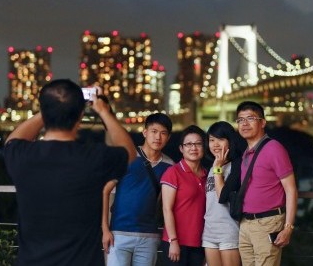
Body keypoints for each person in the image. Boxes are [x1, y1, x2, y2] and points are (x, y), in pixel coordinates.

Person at [3, 79, 136, 265]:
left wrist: (50, 109)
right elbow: (129, 152)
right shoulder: (94, 158)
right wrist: (103, 111)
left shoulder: (22, 156)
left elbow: (13, 140)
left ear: (44, 111)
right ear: (80, 116)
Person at [102, 113, 174, 266]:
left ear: (168, 137)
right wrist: (105, 230)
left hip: (150, 236)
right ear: (145, 132)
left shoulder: (169, 166)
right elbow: (105, 191)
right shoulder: (128, 156)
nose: (158, 137)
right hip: (119, 234)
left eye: (163, 133)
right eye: (154, 132)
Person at [234, 101, 298, 266]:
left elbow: (291, 190)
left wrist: (288, 228)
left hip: (268, 223)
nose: (244, 124)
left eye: (250, 118)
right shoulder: (246, 153)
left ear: (262, 122)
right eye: (240, 120)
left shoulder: (274, 148)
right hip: (246, 223)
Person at [160, 125, 207, 265]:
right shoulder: (173, 172)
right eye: (188, 144)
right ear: (181, 148)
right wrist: (173, 241)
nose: (194, 148)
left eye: (198, 144)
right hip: (176, 243)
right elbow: (166, 209)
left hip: (199, 243)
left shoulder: (207, 174)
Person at [202, 121, 242, 266]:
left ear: (230, 141)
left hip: (228, 231)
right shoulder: (213, 167)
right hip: (209, 232)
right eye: (212, 140)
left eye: (220, 139)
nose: (215, 144)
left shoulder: (236, 166)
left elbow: (221, 197)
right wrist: (216, 166)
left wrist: (218, 168)